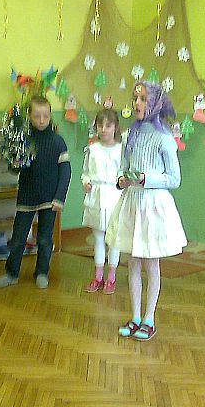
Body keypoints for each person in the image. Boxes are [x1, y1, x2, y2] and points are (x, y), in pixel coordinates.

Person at [106, 82, 187, 340]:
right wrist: (122, 179)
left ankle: (149, 318)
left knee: (151, 262)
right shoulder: (130, 134)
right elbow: (123, 166)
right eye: (135, 98)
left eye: (143, 99)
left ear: (154, 103)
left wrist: (146, 179)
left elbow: (174, 178)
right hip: (132, 203)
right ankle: (135, 317)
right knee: (132, 261)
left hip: (152, 206)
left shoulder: (164, 138)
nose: (137, 104)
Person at [0, 96, 71, 290]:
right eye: (37, 116)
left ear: (50, 115)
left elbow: (66, 172)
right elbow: (15, 169)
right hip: (27, 196)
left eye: (45, 116)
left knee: (45, 239)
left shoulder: (58, 142)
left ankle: (42, 272)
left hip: (49, 199)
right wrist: (14, 163)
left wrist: (59, 197)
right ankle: (11, 273)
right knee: (18, 238)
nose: (42, 120)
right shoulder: (23, 139)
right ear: (29, 116)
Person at [81, 109, 123, 294]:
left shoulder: (121, 150)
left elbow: (124, 171)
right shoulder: (92, 149)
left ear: (115, 127)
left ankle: (111, 277)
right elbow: (85, 172)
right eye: (100, 125)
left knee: (114, 239)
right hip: (96, 197)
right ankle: (98, 276)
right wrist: (86, 181)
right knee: (98, 237)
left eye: (108, 125)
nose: (104, 129)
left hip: (114, 195)